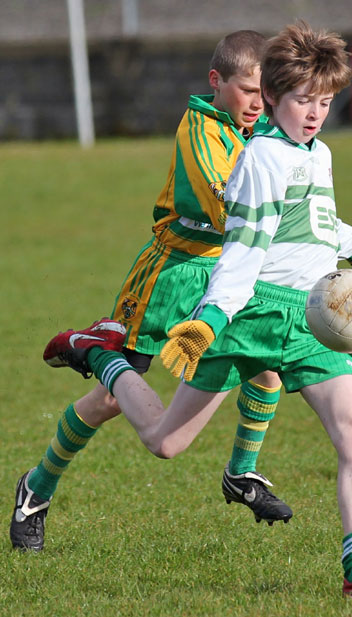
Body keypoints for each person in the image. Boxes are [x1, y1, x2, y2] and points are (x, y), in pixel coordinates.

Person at [26, 21, 352, 596]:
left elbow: (308, 226)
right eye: (303, 101)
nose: (316, 113)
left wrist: (351, 245)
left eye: (325, 101)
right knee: (165, 443)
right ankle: (104, 358)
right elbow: (245, 251)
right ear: (272, 97)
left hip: (309, 316)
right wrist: (213, 318)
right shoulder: (259, 160)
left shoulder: (317, 153)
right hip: (249, 314)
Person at [10, 30, 293, 554]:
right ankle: (37, 486)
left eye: (267, 93)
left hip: (226, 272)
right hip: (170, 274)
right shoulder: (200, 129)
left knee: (265, 365)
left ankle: (241, 474)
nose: (260, 103)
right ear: (217, 81)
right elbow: (226, 206)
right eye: (249, 91)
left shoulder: (265, 129)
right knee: (111, 400)